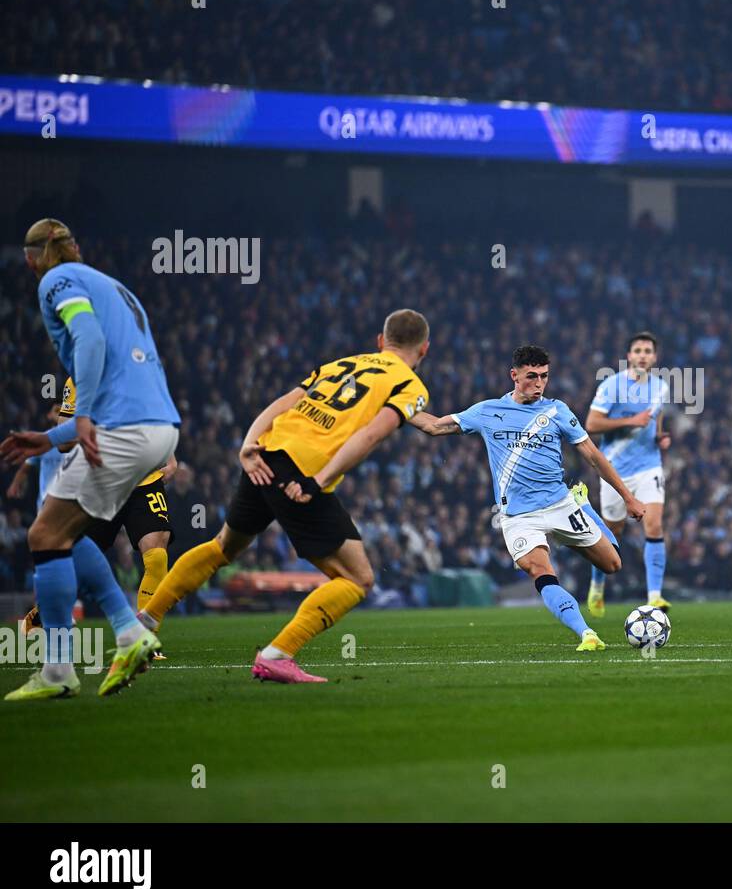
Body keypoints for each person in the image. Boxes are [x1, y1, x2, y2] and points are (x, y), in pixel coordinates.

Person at [136, 309, 432, 683]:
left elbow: (285, 401)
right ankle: (278, 653)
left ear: (379, 340)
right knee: (358, 579)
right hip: (303, 472)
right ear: (424, 348)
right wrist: (319, 478)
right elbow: (371, 436)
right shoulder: (410, 385)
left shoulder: (341, 363)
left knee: (224, 546)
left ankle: (146, 620)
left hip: (268, 452)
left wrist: (249, 443)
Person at [2, 218, 178, 700]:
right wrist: (51, 435)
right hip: (160, 429)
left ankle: (62, 668)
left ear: (31, 259)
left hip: (120, 428)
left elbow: (90, 340)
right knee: (63, 533)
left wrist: (79, 419)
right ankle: (127, 631)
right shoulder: (112, 286)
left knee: (44, 532)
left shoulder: (57, 281)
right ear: (74, 247)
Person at [413, 344, 644, 651]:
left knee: (612, 564)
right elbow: (432, 425)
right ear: (514, 375)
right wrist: (393, 408)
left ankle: (584, 503)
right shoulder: (487, 411)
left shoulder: (556, 410)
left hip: (561, 503)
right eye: (531, 376)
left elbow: (593, 456)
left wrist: (628, 497)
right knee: (540, 570)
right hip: (519, 517)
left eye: (544, 377)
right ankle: (586, 633)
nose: (539, 383)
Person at [584, 331, 672, 615]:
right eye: (638, 350)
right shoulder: (612, 386)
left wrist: (660, 437)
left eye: (648, 350)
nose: (643, 355)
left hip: (648, 466)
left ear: (654, 357)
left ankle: (655, 596)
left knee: (654, 525)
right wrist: (630, 421)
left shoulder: (661, 387)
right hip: (614, 470)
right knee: (612, 533)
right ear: (629, 356)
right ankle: (597, 586)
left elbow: (656, 417)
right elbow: (592, 424)